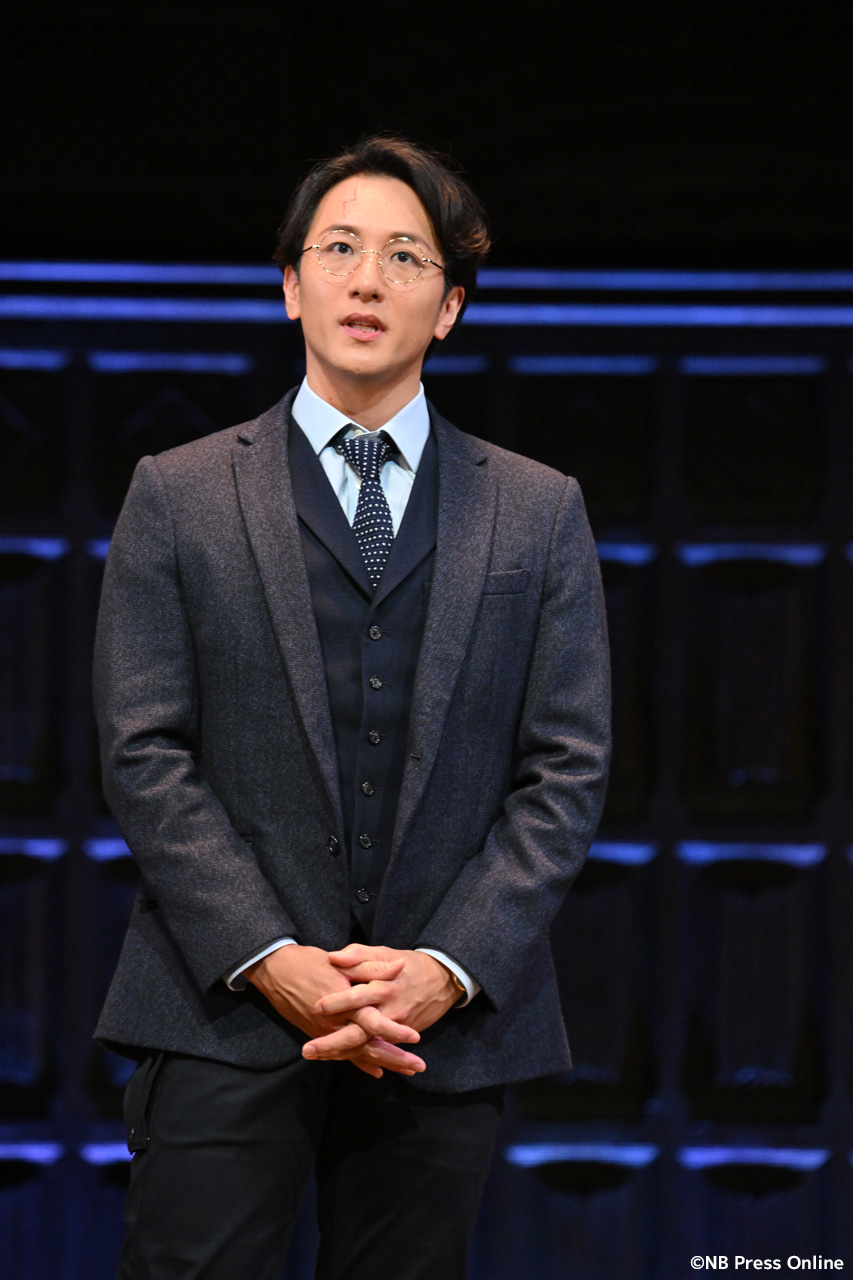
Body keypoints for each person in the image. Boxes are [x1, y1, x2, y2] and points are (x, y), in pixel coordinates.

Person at [93, 134, 611, 1280]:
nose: (367, 279)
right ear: (290, 286)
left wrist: (446, 963)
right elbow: (143, 747)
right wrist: (268, 952)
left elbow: (566, 767)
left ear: (450, 307)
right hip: (224, 1007)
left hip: (436, 1028)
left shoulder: (536, 510)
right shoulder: (179, 492)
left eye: (404, 256)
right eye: (337, 249)